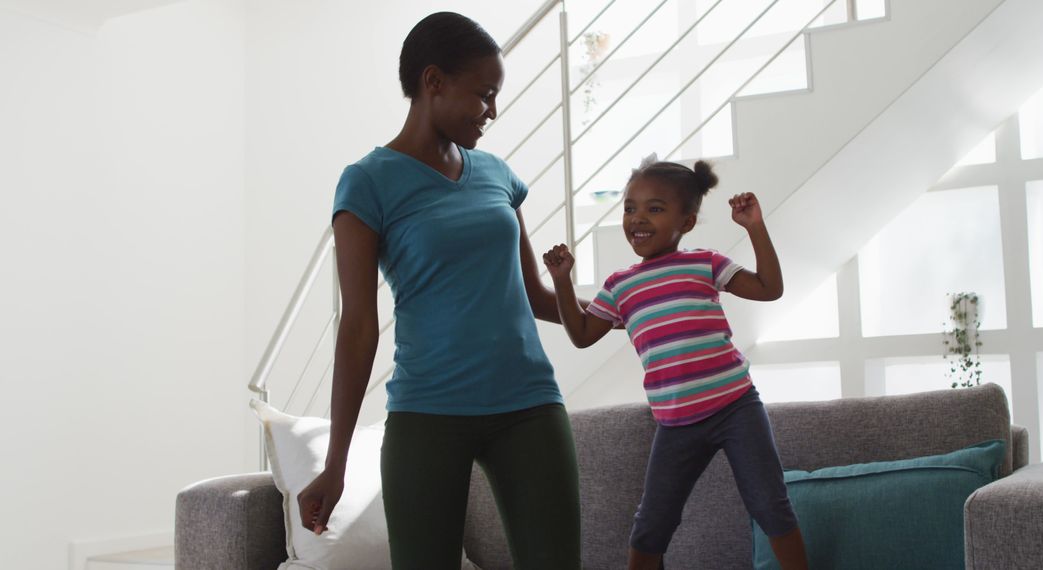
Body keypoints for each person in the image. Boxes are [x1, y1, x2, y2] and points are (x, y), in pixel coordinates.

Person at [296, 12, 586, 569]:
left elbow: (536, 296)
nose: (493, 112)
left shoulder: (498, 174)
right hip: (428, 415)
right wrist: (335, 465)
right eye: (484, 94)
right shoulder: (368, 182)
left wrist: (626, 306)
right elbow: (357, 326)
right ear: (434, 82)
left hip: (529, 406)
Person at [542, 156, 809, 570]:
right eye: (630, 207)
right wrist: (562, 281)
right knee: (650, 529)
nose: (637, 218)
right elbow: (580, 335)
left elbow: (769, 288)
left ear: (686, 221)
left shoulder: (706, 263)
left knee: (771, 507)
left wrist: (755, 227)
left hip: (736, 407)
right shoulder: (619, 285)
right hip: (675, 424)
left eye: (655, 208)